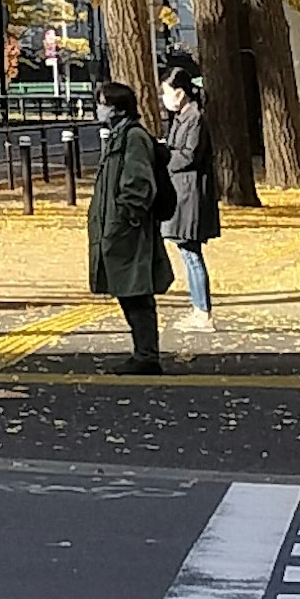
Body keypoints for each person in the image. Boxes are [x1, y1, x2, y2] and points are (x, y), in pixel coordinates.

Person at [90, 76, 175, 369]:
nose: (98, 110)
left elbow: (139, 183)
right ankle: (144, 353)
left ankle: (146, 355)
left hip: (129, 230)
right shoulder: (119, 135)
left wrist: (126, 215)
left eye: (102, 104)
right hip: (119, 228)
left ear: (116, 108)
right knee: (128, 290)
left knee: (136, 291)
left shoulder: (132, 137)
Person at [160, 52, 220, 335]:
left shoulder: (195, 119)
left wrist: (162, 157)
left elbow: (188, 156)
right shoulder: (182, 118)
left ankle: (203, 312)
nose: (165, 98)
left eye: (167, 92)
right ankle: (198, 309)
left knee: (191, 252)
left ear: (180, 93)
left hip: (190, 193)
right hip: (183, 192)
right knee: (187, 252)